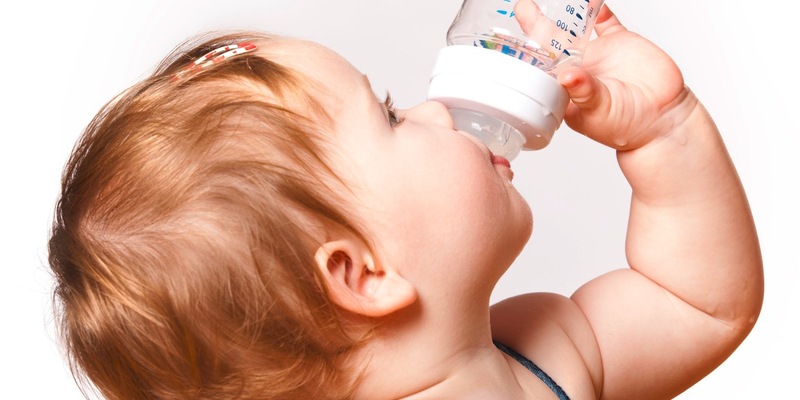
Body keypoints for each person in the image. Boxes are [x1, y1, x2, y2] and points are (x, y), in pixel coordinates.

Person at [47, 3, 763, 399]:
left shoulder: (541, 351)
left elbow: (697, 304)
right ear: (360, 274)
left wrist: (667, 129)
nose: (430, 109)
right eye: (389, 116)